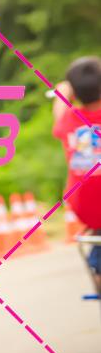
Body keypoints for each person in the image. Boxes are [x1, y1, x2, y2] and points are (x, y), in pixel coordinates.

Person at [52, 56, 101, 292]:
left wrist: (64, 91)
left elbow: (59, 109)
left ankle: (98, 267)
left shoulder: (70, 120)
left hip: (86, 208)